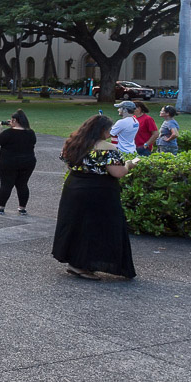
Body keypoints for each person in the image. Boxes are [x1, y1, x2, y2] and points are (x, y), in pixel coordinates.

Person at [52, 115, 140, 280]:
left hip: (74, 187)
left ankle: (75, 262)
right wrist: (129, 164)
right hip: (99, 191)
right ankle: (84, 265)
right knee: (97, 228)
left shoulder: (72, 143)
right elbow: (118, 172)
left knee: (76, 225)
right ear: (102, 130)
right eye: (108, 130)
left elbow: (67, 162)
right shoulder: (107, 148)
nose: (110, 133)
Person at [0, 109, 36, 216]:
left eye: (12, 120)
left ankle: (1, 207)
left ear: (15, 120)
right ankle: (22, 208)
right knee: (22, 184)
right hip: (27, 162)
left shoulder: (8, 133)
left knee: (6, 184)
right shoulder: (30, 133)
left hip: (8, 162)